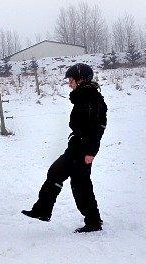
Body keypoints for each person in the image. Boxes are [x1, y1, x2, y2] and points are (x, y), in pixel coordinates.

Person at [22, 63, 107, 233]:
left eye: (71, 80)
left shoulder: (91, 98)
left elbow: (98, 127)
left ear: (81, 80)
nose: (69, 83)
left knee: (79, 183)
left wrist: (91, 151)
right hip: (76, 145)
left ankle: (93, 222)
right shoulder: (83, 96)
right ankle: (43, 211)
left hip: (83, 149)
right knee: (59, 174)